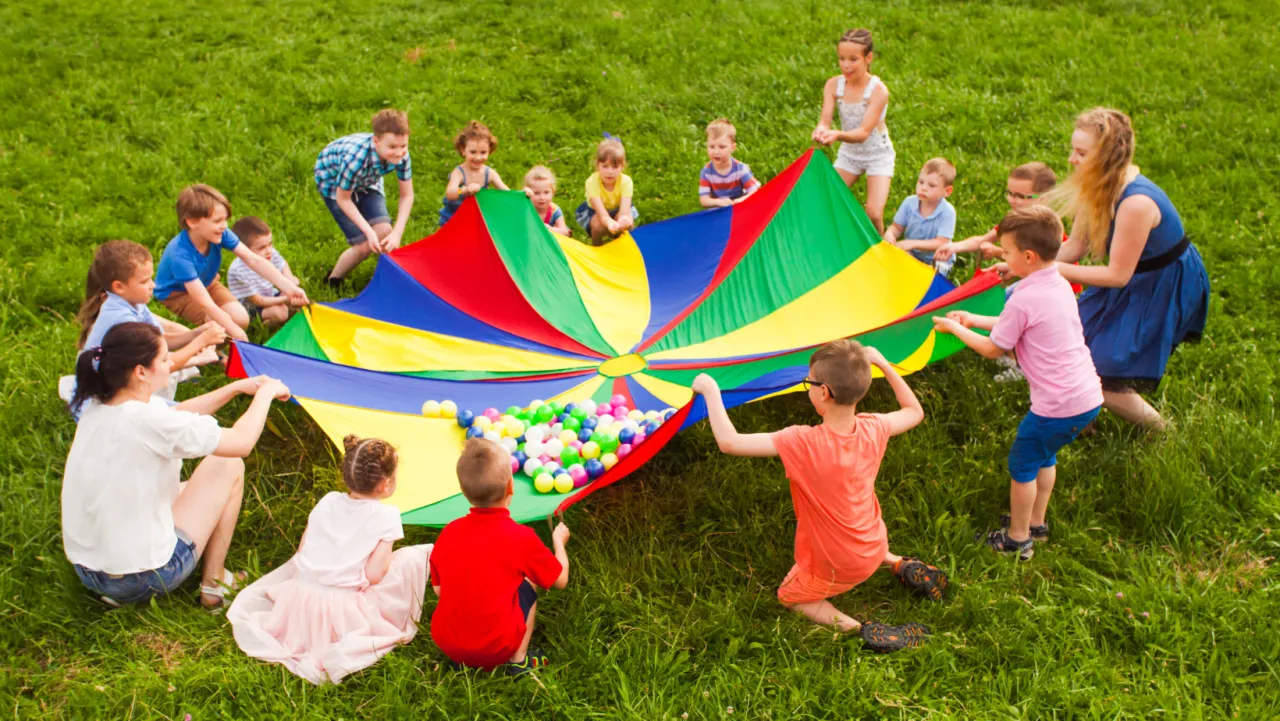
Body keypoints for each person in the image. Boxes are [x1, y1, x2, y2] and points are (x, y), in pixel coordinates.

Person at [691, 340, 944, 653]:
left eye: (809, 383)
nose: (808, 388)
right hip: (875, 542)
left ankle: (862, 629)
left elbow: (730, 443)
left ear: (823, 392)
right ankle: (898, 564)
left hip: (838, 565)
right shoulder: (874, 426)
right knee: (863, 539)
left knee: (789, 595)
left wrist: (711, 390)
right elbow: (914, 410)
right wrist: (881, 363)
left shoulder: (802, 442)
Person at [63, 322, 291, 609]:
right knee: (228, 464)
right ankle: (215, 585)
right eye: (164, 358)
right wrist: (266, 393)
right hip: (142, 577)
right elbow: (241, 442)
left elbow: (179, 412)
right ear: (141, 372)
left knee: (190, 487)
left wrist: (235, 389)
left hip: (88, 569)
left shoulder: (100, 405)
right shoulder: (148, 421)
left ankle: (120, 588)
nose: (171, 362)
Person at [933, 206, 1104, 560]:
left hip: (1055, 407)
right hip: (1087, 396)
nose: (1003, 257)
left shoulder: (1025, 296)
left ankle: (1016, 539)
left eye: (1007, 252)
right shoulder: (1056, 283)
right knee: (1045, 458)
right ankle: (1036, 524)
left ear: (1027, 257)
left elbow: (992, 349)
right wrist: (974, 318)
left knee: (1022, 466)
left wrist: (956, 327)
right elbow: (1014, 322)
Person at [1039, 107, 1207, 431]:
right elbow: (1075, 247)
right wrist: (1027, 262)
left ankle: (1164, 433)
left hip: (1163, 283)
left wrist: (1046, 271)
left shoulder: (1136, 203)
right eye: (1073, 150)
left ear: (1107, 158)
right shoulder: (1097, 186)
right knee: (1069, 343)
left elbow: (1117, 275)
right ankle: (1081, 417)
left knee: (1101, 375)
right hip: (1133, 276)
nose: (1072, 159)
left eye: (1082, 153)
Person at [228, 436, 433, 685]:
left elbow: (303, 551)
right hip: (342, 611)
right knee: (414, 556)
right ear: (386, 484)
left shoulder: (328, 501)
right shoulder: (387, 515)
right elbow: (375, 575)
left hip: (298, 598)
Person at [430, 438, 572, 674]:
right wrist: (559, 543)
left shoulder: (448, 533)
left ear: (463, 491)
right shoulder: (521, 537)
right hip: (497, 646)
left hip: (449, 643)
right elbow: (560, 580)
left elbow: (439, 591)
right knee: (528, 584)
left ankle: (463, 659)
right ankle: (519, 661)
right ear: (511, 487)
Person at [935, 162, 1082, 384]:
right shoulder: (1018, 221)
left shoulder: (1044, 228)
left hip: (1053, 289)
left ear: (1044, 198)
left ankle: (1021, 365)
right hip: (1032, 282)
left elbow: (1039, 263)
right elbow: (984, 240)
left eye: (1022, 196)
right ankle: (1012, 354)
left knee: (1022, 320)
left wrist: (999, 254)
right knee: (1009, 311)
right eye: (1010, 193)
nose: (1013, 200)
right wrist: (954, 247)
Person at [62, 240, 224, 413]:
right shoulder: (122, 320)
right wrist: (199, 344)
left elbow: (160, 342)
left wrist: (195, 334)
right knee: (181, 416)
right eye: (144, 281)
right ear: (119, 287)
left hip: (127, 381)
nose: (152, 285)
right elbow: (157, 366)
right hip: (109, 400)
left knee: (185, 415)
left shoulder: (133, 303)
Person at [153, 185, 307, 341]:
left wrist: (289, 288)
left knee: (241, 319)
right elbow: (205, 303)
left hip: (208, 282)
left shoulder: (218, 233)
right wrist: (236, 333)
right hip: (178, 294)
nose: (225, 226)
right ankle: (211, 352)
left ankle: (218, 337)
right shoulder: (180, 255)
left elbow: (253, 259)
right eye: (218, 221)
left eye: (225, 219)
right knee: (222, 327)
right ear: (192, 222)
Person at [315, 109, 415, 286]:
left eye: (403, 146)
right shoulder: (356, 159)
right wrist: (368, 232)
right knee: (364, 245)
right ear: (376, 141)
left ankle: (387, 277)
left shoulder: (402, 156)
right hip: (333, 183)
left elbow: (407, 195)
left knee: (385, 232)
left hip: (368, 180)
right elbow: (343, 198)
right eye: (392, 147)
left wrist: (397, 234)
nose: (399, 152)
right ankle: (332, 280)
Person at [811, 28, 894, 233]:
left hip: (877, 155)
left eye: (853, 59)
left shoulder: (878, 91)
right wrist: (821, 131)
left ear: (869, 58)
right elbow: (825, 120)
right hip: (850, 154)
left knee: (874, 214)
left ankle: (880, 249)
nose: (846, 65)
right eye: (841, 58)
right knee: (825, 199)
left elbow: (864, 132)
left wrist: (837, 135)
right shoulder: (833, 85)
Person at [883, 158, 958, 277]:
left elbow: (940, 243)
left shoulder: (948, 212)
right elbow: (896, 227)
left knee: (932, 277)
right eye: (921, 182)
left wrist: (911, 243)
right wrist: (890, 234)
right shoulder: (909, 203)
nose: (923, 188)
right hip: (912, 253)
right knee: (894, 260)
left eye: (931, 185)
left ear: (947, 191)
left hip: (937, 259)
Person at [226, 216, 300, 329]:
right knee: (280, 313)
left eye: (270, 244)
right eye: (261, 248)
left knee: (298, 305)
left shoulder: (270, 254)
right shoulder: (238, 271)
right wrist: (285, 299)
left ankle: (286, 320)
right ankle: (260, 328)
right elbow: (258, 301)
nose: (269, 250)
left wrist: (289, 278)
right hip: (252, 308)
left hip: (270, 295)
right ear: (243, 250)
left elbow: (282, 263)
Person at [440, 121, 510, 227]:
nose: (478, 157)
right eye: (473, 152)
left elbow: (507, 194)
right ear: (463, 150)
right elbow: (450, 193)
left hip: (476, 219)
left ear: (489, 151)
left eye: (483, 152)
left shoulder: (489, 174)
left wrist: (523, 194)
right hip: (453, 219)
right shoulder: (459, 172)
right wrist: (464, 190)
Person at [576, 135, 638, 245]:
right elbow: (602, 214)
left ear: (622, 166)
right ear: (598, 165)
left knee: (628, 222)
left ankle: (622, 244)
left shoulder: (626, 181)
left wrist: (623, 221)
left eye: (614, 167)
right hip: (597, 211)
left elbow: (624, 211)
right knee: (598, 226)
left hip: (619, 208)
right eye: (605, 166)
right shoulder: (592, 182)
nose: (610, 172)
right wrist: (609, 223)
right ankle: (597, 246)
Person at [698, 118, 760, 207]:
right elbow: (704, 200)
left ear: (733, 148)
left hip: (741, 207)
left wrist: (740, 201)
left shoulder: (740, 169)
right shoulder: (706, 172)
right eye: (711, 147)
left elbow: (755, 192)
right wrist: (719, 202)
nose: (716, 151)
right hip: (720, 209)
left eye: (722, 147)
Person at [522, 165, 570, 236]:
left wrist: (550, 229)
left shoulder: (554, 211)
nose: (542, 197)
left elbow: (566, 232)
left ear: (553, 192)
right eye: (536, 193)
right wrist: (522, 195)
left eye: (546, 192)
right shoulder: (526, 208)